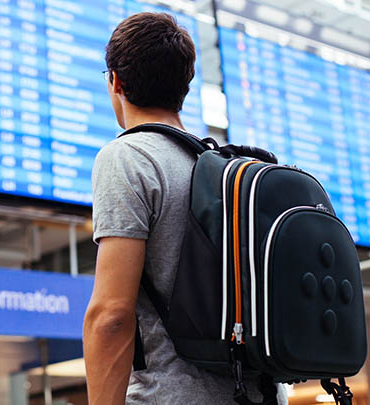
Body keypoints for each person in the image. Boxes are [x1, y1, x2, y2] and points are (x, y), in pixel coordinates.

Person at [83, 12, 288, 405]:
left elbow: (110, 315)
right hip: (260, 395)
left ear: (115, 82)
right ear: (186, 86)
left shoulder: (128, 157)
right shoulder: (228, 170)